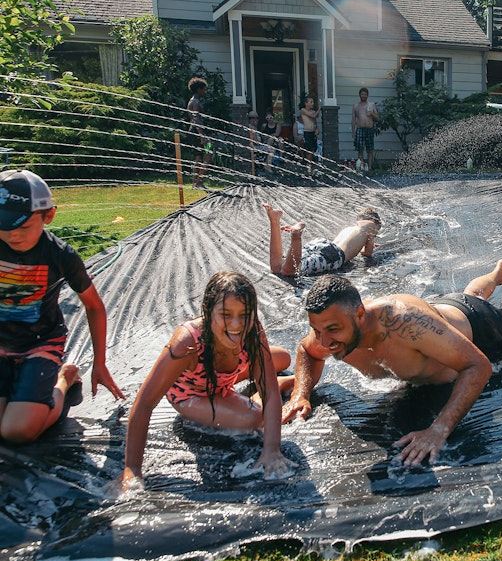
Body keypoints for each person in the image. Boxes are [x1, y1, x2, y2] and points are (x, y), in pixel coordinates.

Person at [282, 254, 502, 466]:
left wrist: (438, 430)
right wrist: (300, 393)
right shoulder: (330, 329)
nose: (324, 342)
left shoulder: (403, 322)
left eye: (332, 330)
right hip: (445, 315)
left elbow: (477, 365)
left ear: (359, 314)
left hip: (477, 324)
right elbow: (306, 350)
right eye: (317, 330)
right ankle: (496, 274)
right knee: (471, 295)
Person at [118, 271, 296, 489]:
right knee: (255, 417)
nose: (236, 324)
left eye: (244, 314)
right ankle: (271, 386)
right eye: (225, 314)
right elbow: (144, 403)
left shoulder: (252, 330)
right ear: (208, 311)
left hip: (223, 378)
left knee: (283, 358)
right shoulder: (187, 342)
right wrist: (132, 469)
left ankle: (263, 383)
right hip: (191, 394)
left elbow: (269, 392)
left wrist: (272, 450)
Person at [0, 170, 124, 444]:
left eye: (22, 228)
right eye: (4, 226)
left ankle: (65, 378)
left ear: (49, 216)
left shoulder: (59, 255)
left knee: (16, 432)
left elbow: (93, 306)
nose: (12, 236)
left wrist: (100, 363)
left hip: (39, 342)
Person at [263, 204, 382, 277]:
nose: (377, 231)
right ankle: (296, 236)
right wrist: (366, 245)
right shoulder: (371, 225)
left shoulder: (351, 228)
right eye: (378, 228)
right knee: (290, 271)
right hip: (334, 255)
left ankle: (274, 221)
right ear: (374, 220)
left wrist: (360, 245)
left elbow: (350, 244)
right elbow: (368, 253)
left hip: (323, 245)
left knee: (277, 267)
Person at [185, 77, 211, 190]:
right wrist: (202, 135)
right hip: (198, 132)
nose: (205, 92)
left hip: (193, 131)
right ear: (198, 90)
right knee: (209, 155)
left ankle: (195, 183)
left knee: (198, 158)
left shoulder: (191, 101)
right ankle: (199, 182)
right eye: (204, 89)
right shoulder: (195, 102)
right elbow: (196, 119)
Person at [352, 87, 378, 171]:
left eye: (365, 94)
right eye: (362, 94)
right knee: (360, 149)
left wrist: (372, 114)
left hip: (369, 129)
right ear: (359, 95)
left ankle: (369, 167)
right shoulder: (356, 106)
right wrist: (353, 131)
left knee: (370, 149)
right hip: (360, 129)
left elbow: (377, 117)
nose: (364, 96)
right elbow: (353, 120)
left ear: (367, 95)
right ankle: (361, 167)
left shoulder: (371, 105)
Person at [246, 110, 275, 174]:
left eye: (257, 118)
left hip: (258, 145)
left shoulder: (254, 127)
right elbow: (255, 141)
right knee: (272, 150)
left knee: (271, 140)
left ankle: (266, 165)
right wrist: (262, 144)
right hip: (255, 147)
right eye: (253, 118)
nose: (256, 119)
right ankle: (268, 167)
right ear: (250, 119)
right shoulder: (251, 127)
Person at [299, 96, 320, 165]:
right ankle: (308, 165)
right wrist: (319, 109)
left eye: (313, 102)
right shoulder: (303, 110)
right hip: (307, 132)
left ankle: (309, 163)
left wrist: (317, 128)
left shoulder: (313, 111)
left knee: (313, 149)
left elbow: (314, 121)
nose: (312, 103)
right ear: (306, 103)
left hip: (313, 132)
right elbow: (313, 116)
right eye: (311, 102)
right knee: (309, 149)